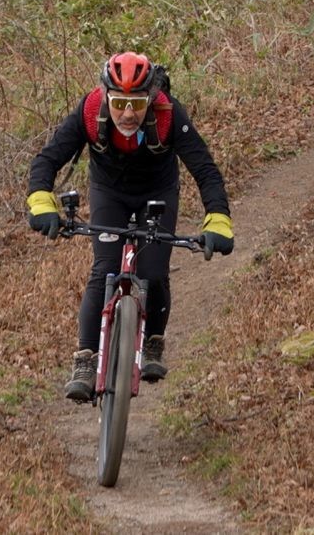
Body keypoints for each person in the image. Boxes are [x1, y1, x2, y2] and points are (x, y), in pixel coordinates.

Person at [25, 51, 234, 401]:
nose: (127, 113)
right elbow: (47, 159)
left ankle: (153, 342)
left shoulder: (169, 113)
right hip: (110, 193)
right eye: (119, 102)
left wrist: (218, 219)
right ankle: (86, 360)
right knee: (105, 269)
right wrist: (41, 201)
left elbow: (206, 170)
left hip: (158, 192)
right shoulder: (90, 110)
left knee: (153, 272)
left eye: (136, 103)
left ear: (150, 98)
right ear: (107, 95)